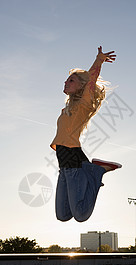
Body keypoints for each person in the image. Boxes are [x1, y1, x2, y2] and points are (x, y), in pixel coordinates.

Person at [50, 46, 122, 222]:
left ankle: (96, 172)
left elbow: (91, 81)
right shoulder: (67, 109)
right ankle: (92, 169)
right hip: (64, 165)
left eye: (71, 80)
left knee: (81, 215)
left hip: (74, 161)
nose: (66, 83)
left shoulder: (83, 105)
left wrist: (98, 60)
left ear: (82, 86)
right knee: (63, 215)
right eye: (66, 80)